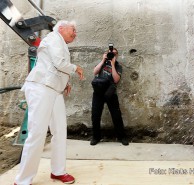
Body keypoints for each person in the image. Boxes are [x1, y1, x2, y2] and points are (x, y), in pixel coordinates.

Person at [14, 20, 84, 185]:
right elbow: (59, 62)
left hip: (54, 90)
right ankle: (22, 180)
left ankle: (58, 171)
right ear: (61, 28)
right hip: (41, 89)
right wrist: (76, 68)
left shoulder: (59, 42)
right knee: (37, 134)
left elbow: (52, 66)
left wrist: (64, 83)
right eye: (73, 29)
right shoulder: (53, 38)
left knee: (60, 131)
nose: (75, 33)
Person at [90, 47, 129, 146]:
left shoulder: (118, 66)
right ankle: (96, 137)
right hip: (98, 91)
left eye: (115, 54)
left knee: (116, 115)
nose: (112, 55)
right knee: (95, 115)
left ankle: (122, 137)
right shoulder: (102, 63)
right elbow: (95, 72)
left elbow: (116, 80)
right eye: (110, 53)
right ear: (105, 54)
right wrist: (103, 60)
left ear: (117, 55)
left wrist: (112, 64)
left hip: (110, 92)